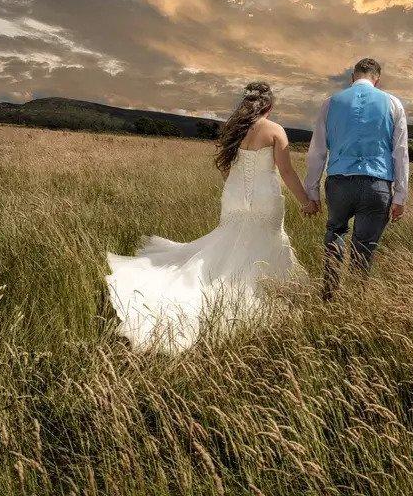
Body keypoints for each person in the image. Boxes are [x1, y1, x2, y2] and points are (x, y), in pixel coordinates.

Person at [105, 82, 312, 350]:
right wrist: (306, 201)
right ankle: (259, 291)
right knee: (264, 243)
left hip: (234, 195)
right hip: (264, 197)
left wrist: (236, 186)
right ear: (269, 107)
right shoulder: (275, 131)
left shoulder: (233, 130)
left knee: (229, 240)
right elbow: (286, 172)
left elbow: (226, 169)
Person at [304, 58, 410, 301]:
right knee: (364, 249)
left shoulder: (330, 103)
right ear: (377, 79)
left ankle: (328, 297)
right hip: (377, 185)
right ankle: (355, 305)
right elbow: (400, 152)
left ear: (352, 77)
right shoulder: (393, 104)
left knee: (335, 234)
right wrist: (400, 195)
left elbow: (317, 150)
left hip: (340, 183)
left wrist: (312, 191)